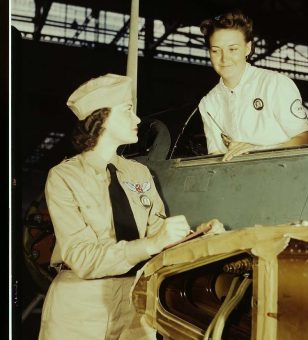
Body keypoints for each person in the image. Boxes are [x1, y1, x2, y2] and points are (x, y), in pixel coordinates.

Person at [38, 73, 224, 340]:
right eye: (127, 111)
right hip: (80, 308)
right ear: (101, 119)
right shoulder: (65, 177)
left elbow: (159, 236)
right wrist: (150, 244)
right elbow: (82, 257)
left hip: (135, 302)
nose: (137, 119)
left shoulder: (139, 175)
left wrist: (199, 238)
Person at [198, 10, 308, 161]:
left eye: (232, 49)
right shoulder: (208, 104)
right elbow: (216, 159)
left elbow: (307, 141)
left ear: (247, 48)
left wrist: (258, 151)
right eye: (215, 51)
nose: (224, 58)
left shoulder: (275, 84)